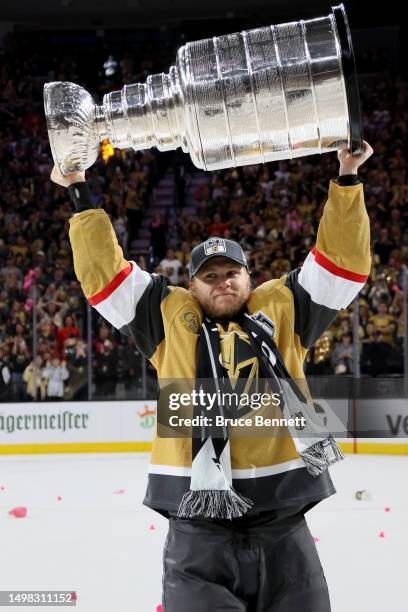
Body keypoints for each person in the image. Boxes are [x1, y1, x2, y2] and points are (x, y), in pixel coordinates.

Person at [51, 141, 373, 612]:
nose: (223, 281)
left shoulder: (283, 311)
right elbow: (106, 276)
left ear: (249, 276)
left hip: (283, 520)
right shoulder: (166, 319)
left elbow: (342, 264)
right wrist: (79, 191)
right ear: (192, 285)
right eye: (210, 276)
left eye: (232, 272)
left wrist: (347, 176)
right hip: (196, 524)